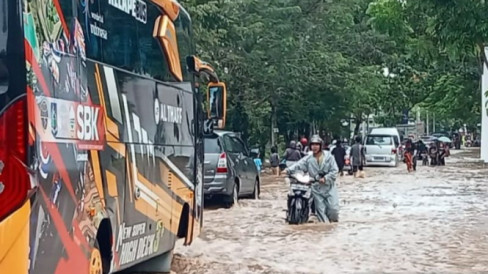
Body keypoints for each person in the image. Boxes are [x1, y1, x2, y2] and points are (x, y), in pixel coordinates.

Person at [282, 135, 339, 223]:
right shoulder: (308, 159)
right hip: (316, 188)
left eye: (317, 144)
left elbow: (335, 170)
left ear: (321, 146)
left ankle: (333, 225)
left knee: (333, 210)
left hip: (329, 187)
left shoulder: (329, 157)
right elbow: (298, 165)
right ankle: (326, 229)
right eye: (313, 145)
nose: (314, 147)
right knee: (320, 212)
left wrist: (326, 178)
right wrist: (287, 170)